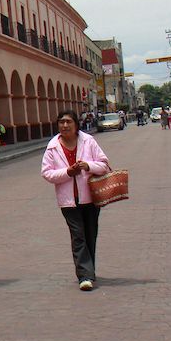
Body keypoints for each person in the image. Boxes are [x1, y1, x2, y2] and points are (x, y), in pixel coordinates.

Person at [41, 110, 111, 291]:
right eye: (61, 122)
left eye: (68, 122)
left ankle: (89, 269)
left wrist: (88, 165)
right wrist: (67, 172)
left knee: (90, 234)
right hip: (68, 201)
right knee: (78, 235)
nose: (64, 125)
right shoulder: (52, 147)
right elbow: (47, 173)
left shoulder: (88, 141)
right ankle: (84, 276)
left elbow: (104, 165)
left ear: (76, 124)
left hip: (90, 197)